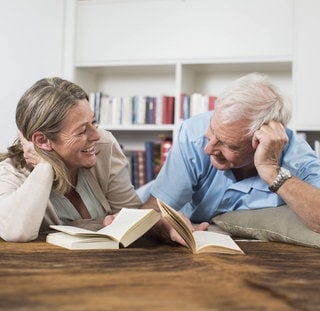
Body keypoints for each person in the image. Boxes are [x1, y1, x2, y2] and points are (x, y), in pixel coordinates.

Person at [142, 72, 320, 244]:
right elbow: (151, 210)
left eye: (229, 145)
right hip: (144, 199)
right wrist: (166, 227)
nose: (208, 148)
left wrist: (271, 171)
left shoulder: (297, 156)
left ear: (262, 140)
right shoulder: (193, 134)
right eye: (211, 131)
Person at [0, 77, 141, 242]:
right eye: (82, 131)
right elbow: (16, 232)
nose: (96, 135)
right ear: (42, 140)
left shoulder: (103, 145)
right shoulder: (9, 172)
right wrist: (45, 165)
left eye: (94, 123)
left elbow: (134, 216)